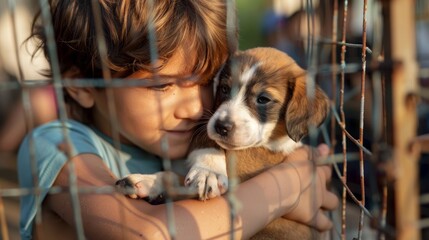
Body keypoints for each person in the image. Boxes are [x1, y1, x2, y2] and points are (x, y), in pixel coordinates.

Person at [17, 1, 339, 239]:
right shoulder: (56, 145)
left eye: (206, 82)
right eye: (162, 85)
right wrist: (284, 190)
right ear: (81, 87)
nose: (195, 107)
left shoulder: (184, 145)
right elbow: (148, 233)